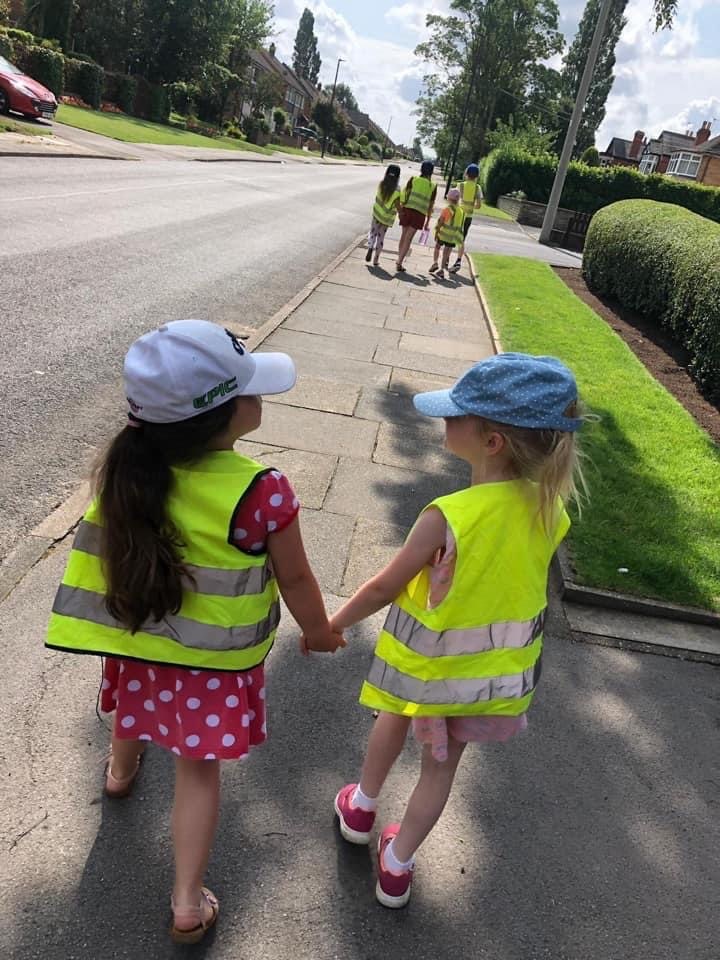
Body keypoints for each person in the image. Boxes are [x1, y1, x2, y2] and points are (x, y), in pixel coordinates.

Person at [46, 320, 344, 943]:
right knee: (197, 769)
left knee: (134, 711)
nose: (261, 398)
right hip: (213, 666)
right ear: (225, 417)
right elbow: (296, 579)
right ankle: (186, 901)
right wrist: (319, 633)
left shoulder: (128, 472)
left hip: (140, 646)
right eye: (252, 390)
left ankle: (120, 774)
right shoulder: (263, 492)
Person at [328, 353, 586, 908]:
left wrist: (330, 625)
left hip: (421, 669)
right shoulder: (550, 509)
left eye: (456, 415)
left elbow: (382, 588)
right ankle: (397, 867)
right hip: (487, 682)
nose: (445, 423)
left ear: (491, 441)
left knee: (391, 720)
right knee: (439, 772)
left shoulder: (448, 516)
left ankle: (361, 806)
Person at [396, 160, 437, 273]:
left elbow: (405, 194)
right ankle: (399, 261)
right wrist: (428, 221)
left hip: (407, 210)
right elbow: (430, 206)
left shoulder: (413, 179)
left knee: (403, 236)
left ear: (421, 170)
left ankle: (399, 259)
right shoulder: (432, 186)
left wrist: (401, 210)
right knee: (408, 239)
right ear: (431, 172)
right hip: (419, 215)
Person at [449, 163, 483, 274]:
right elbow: (478, 205)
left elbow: (454, 199)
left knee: (451, 236)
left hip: (458, 215)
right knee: (461, 239)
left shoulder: (460, 185)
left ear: (466, 173)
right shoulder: (478, 188)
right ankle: (458, 261)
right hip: (468, 217)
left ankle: (445, 261)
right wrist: (471, 205)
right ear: (477, 176)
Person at [366, 163, 402, 267]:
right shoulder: (397, 190)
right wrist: (401, 214)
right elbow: (397, 205)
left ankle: (370, 246)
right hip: (386, 218)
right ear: (398, 176)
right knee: (381, 237)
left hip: (377, 214)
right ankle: (376, 259)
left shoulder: (381, 184)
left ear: (386, 173)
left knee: (373, 232)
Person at [428, 187, 465, 280]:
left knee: (437, 247)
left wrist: (437, 232)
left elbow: (441, 221)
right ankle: (441, 269)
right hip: (452, 237)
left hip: (443, 233)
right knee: (447, 252)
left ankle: (435, 262)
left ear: (449, 198)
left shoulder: (448, 209)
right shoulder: (461, 211)